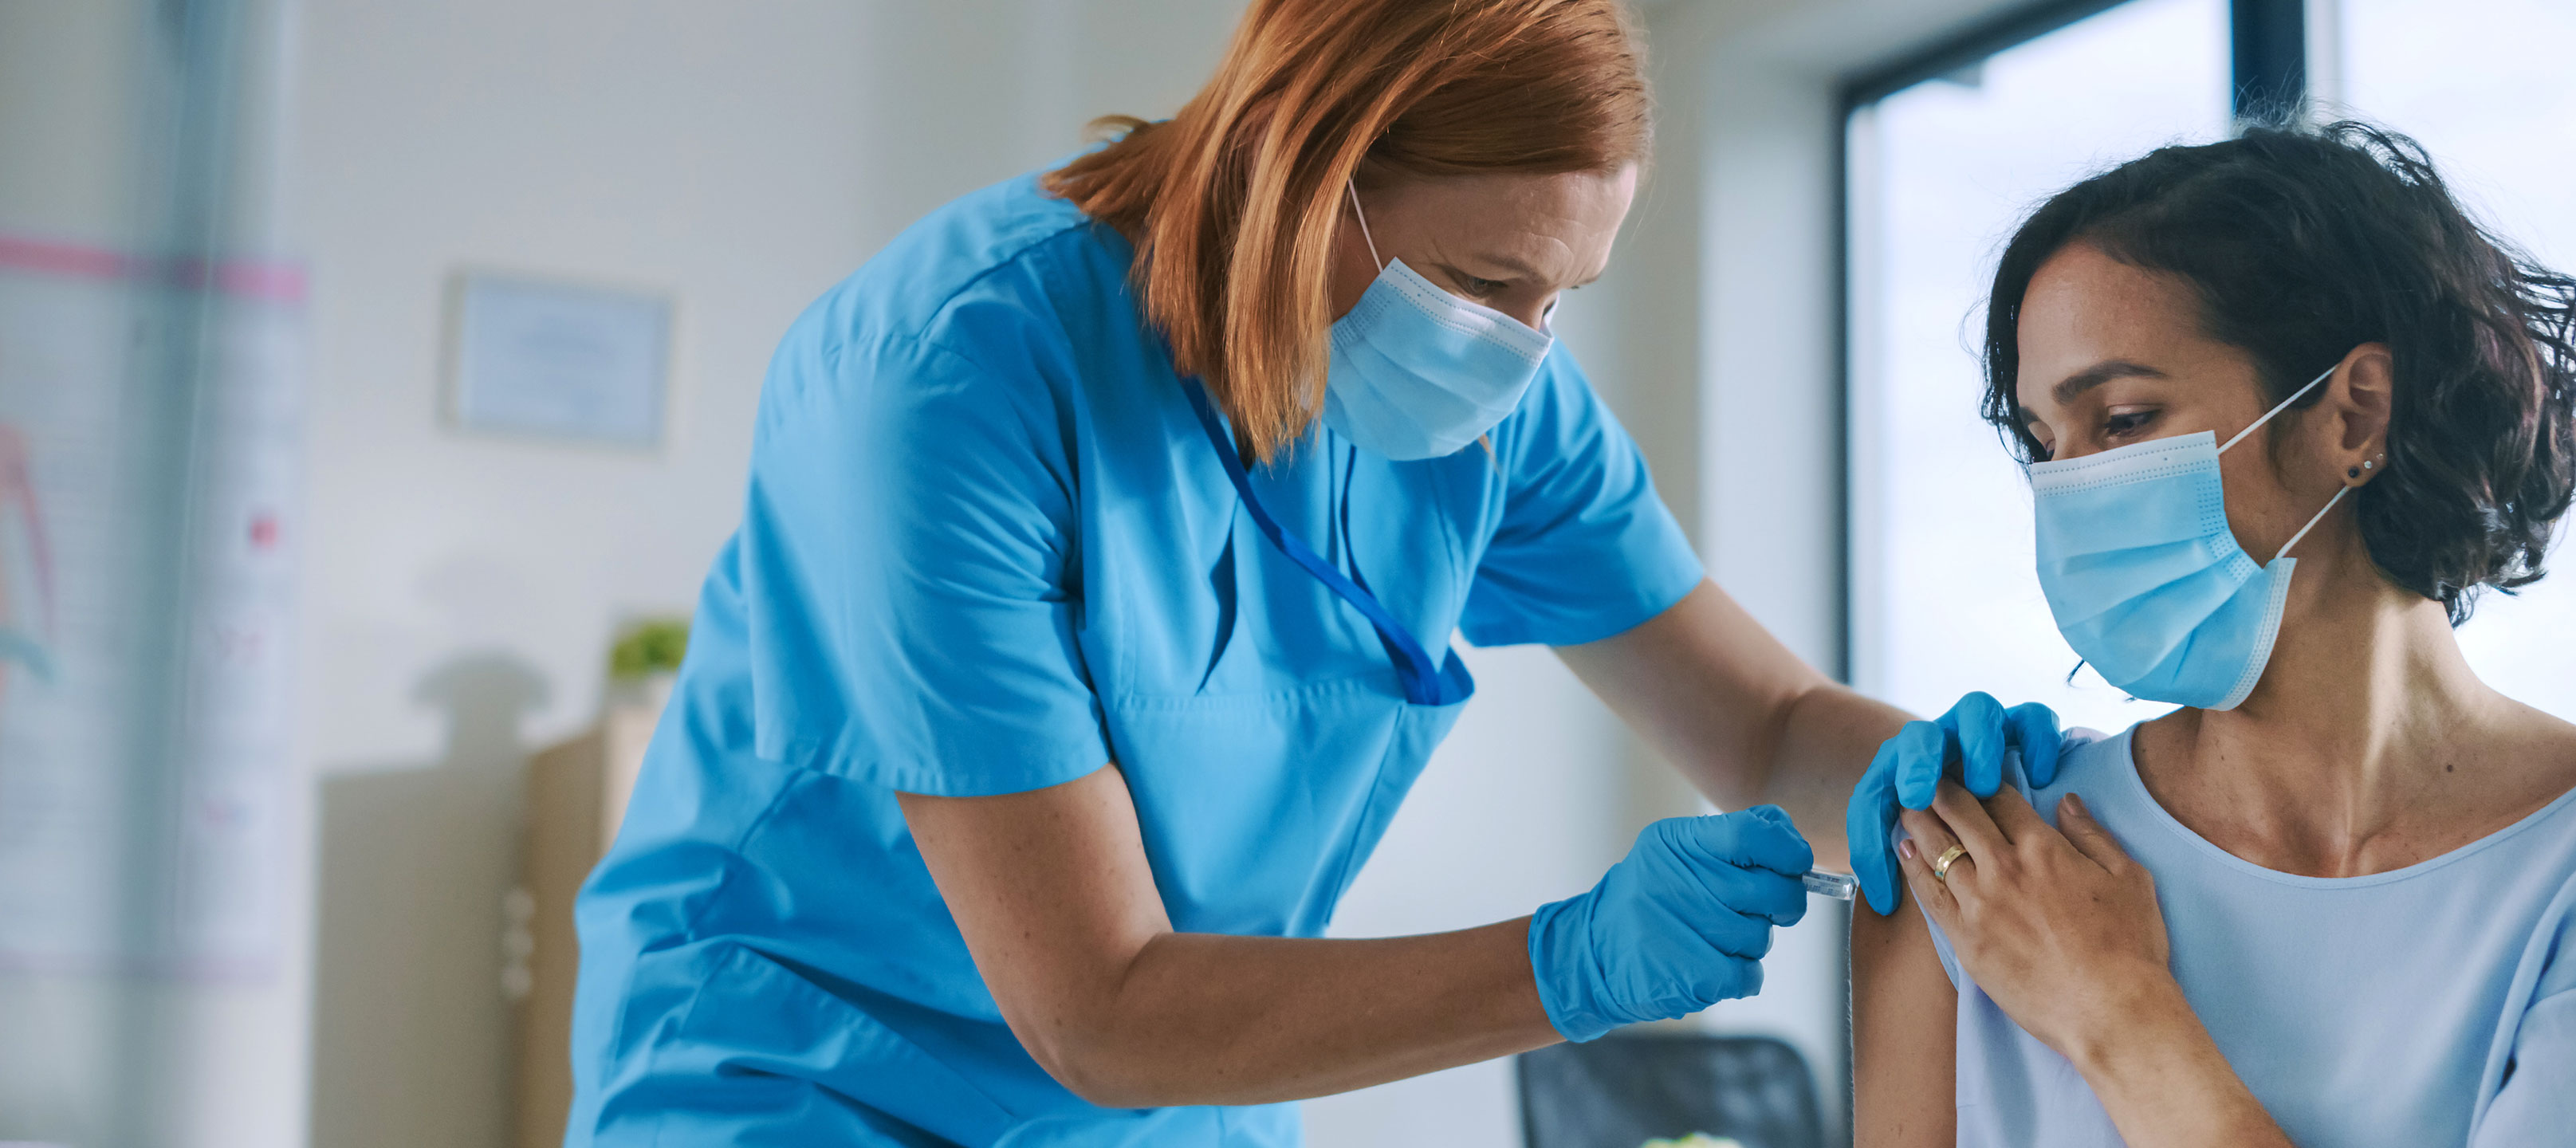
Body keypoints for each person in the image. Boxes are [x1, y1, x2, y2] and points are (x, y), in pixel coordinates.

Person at [561, 1, 2035, 1143]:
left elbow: (1766, 727)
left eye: (1562, 294)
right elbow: (1100, 1003)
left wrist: (1995, 802)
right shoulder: (945, 381)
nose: (1526, 351)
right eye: (1480, 284)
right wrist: (1573, 964)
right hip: (816, 1086)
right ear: (1296, 166)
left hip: (1177, 1099)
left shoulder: (1501, 416)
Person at [1848, 121, 2576, 1147]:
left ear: (2354, 413)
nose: (2069, 489)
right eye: (2046, 445)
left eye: (2123, 420)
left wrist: (2118, 1014)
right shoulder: (1982, 852)